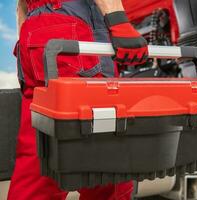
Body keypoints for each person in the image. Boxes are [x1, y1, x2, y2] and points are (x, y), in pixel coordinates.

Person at [8, 0, 148, 199]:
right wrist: (118, 20)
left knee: (38, 159)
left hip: (33, 37)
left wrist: (25, 43)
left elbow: (21, 5)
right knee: (106, 164)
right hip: (72, 33)